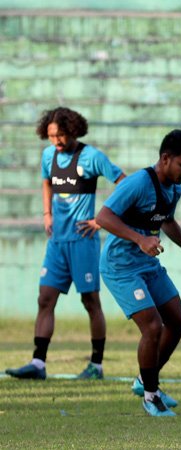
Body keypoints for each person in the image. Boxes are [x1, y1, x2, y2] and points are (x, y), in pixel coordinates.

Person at [95, 129, 181, 417]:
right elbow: (103, 217)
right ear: (165, 158)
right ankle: (150, 396)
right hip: (121, 266)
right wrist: (139, 239)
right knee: (152, 326)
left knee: (178, 320)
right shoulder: (137, 183)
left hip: (147, 264)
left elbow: (167, 221)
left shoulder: (174, 189)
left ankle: (145, 380)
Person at [6, 107, 125, 381]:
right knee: (45, 298)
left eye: (60, 135)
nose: (56, 141)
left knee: (90, 300)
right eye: (50, 136)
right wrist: (47, 214)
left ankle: (96, 365)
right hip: (57, 242)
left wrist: (101, 220)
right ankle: (38, 363)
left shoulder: (92, 157)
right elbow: (46, 183)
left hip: (83, 241)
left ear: (73, 130)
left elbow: (125, 184)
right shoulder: (49, 156)